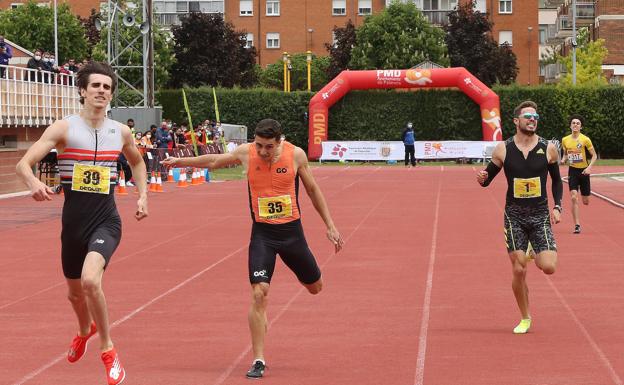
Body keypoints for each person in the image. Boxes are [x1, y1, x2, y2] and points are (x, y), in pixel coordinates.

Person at [162, 119, 344, 379]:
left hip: (292, 235)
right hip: (263, 235)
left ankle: (285, 294)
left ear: (279, 141)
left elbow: (313, 190)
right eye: (259, 145)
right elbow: (214, 161)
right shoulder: (246, 153)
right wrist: (181, 162)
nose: (262, 152)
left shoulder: (296, 155)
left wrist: (330, 226)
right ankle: (258, 359)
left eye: (268, 147)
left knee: (315, 288)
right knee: (260, 293)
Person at [15, 61, 148, 385]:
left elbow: (137, 162)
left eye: (107, 87)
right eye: (96, 86)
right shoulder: (64, 129)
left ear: (111, 94)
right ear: (82, 91)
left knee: (91, 281)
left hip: (107, 220)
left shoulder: (121, 131)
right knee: (75, 295)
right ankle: (84, 329)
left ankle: (108, 349)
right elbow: (23, 163)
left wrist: (143, 195)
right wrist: (33, 183)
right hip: (73, 224)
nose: (102, 91)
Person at [476, 100, 562, 334]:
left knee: (549, 267)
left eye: (535, 116)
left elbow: (556, 180)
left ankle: (535, 250)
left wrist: (558, 207)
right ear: (516, 121)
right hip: (514, 215)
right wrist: (482, 178)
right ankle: (525, 317)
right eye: (528, 116)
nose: (533, 119)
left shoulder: (549, 148)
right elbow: (487, 178)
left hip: (540, 214)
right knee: (519, 268)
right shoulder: (503, 149)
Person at [561, 114, 597, 234]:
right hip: (573, 171)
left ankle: (585, 196)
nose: (575, 125)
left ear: (581, 127)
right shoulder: (565, 140)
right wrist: (563, 159)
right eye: (573, 123)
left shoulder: (585, 139)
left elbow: (594, 156)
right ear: (570, 125)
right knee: (573, 197)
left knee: (585, 201)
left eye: (578, 123)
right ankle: (577, 225)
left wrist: (589, 168)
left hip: (584, 172)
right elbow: (566, 153)